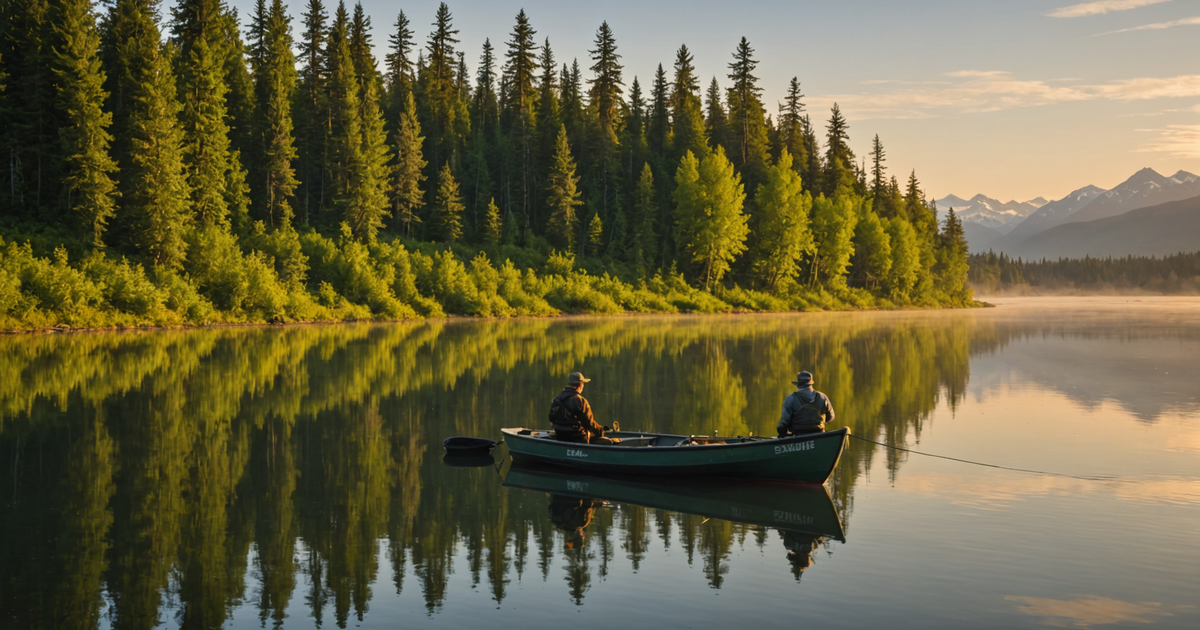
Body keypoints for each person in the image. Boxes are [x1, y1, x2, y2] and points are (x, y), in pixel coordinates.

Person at [548, 372, 619, 444]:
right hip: (577, 437)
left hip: (560, 436)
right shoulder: (581, 401)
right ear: (580, 385)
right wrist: (601, 430)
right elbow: (589, 424)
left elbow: (551, 419)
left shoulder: (557, 399)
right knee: (600, 437)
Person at [777, 371, 835, 436]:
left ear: (798, 385)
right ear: (811, 383)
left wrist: (782, 434)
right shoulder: (823, 397)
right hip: (819, 433)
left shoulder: (791, 398)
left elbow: (784, 422)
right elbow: (831, 417)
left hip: (798, 435)